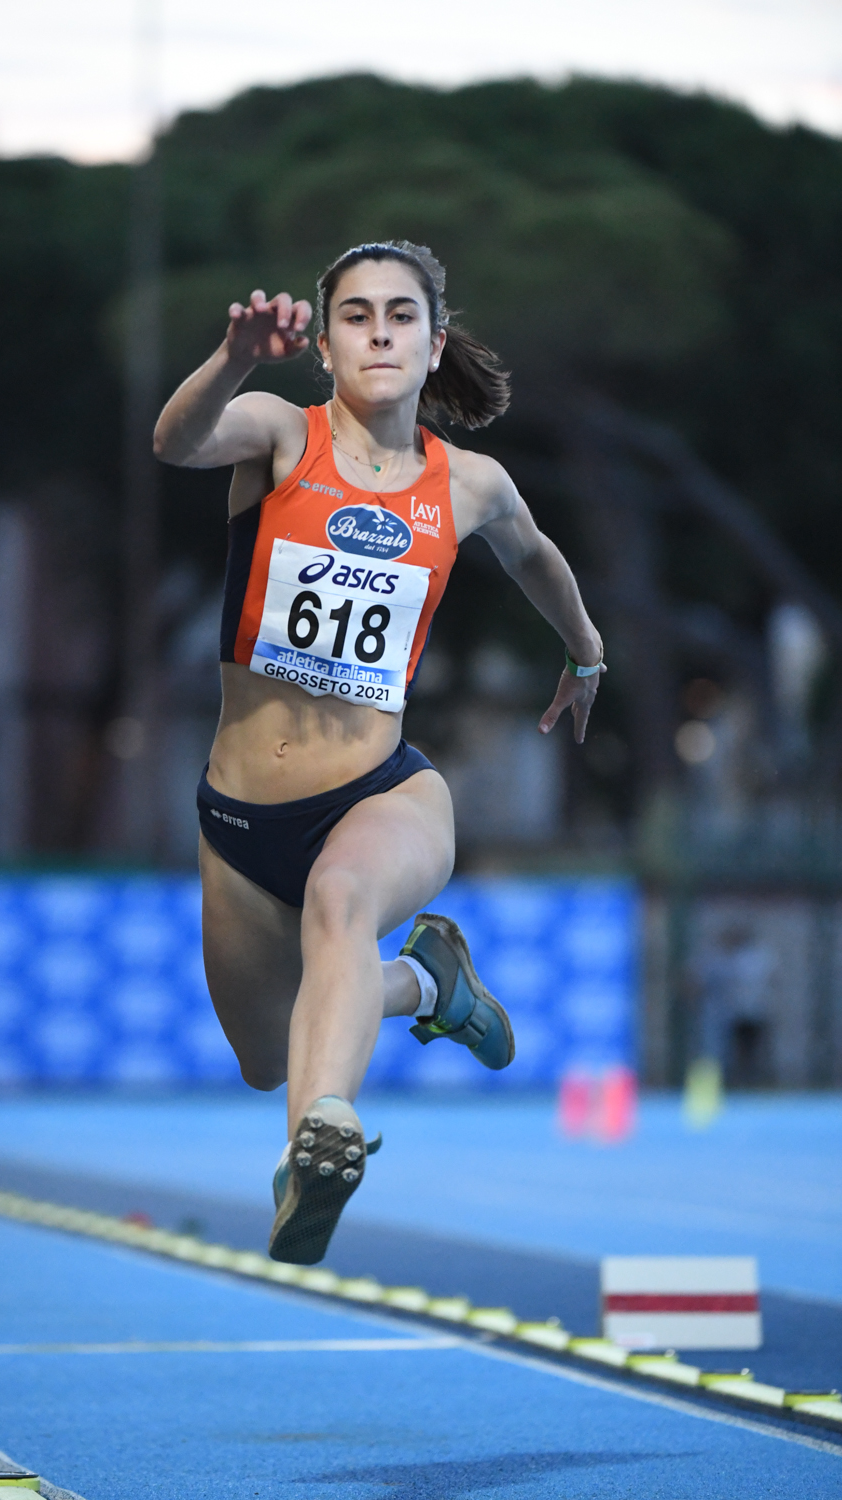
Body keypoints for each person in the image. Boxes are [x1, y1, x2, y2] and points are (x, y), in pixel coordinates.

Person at [154, 240, 604, 1265]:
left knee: (340, 904)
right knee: (265, 1054)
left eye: (401, 315)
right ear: (323, 345)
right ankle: (428, 986)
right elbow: (177, 442)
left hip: (381, 794)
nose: (380, 333)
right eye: (355, 316)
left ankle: (316, 1145)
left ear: (434, 343)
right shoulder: (280, 433)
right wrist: (233, 358)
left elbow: (536, 556)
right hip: (240, 820)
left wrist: (586, 653)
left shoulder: (470, 484)